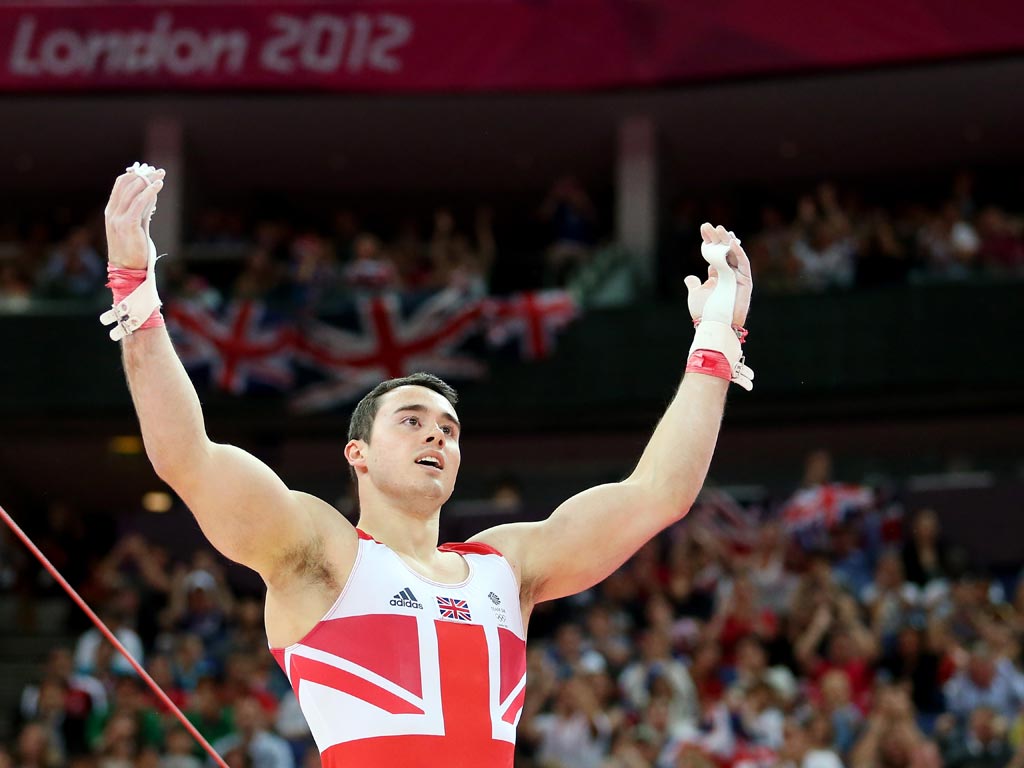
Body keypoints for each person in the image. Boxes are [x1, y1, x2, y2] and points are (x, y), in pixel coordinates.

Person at [101, 164, 754, 767]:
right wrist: (134, 291)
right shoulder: (318, 550)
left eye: (449, 428)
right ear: (357, 453)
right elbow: (187, 457)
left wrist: (717, 340)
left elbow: (659, 494)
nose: (436, 436)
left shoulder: (509, 567)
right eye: (411, 420)